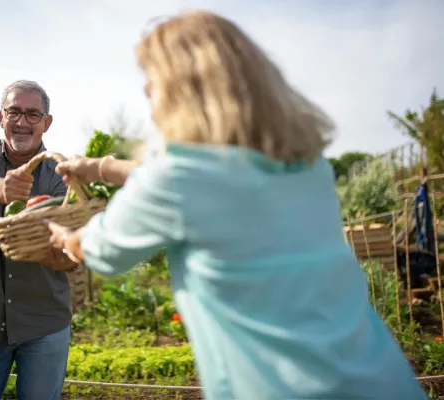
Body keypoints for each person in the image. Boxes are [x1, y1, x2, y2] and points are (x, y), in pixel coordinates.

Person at [44, 11, 428, 400]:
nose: (146, 90)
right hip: (384, 379)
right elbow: (198, 178)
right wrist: (97, 168)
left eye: (153, 79)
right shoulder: (306, 165)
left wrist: (64, 238)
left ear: (181, 88)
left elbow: (103, 251)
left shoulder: (177, 177)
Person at [0, 80, 75, 400]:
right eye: (14, 112)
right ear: (0, 117)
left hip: (44, 322)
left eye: (33, 114)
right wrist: (2, 189)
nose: (22, 122)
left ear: (47, 122)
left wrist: (61, 248)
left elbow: (68, 247)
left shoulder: (61, 172)